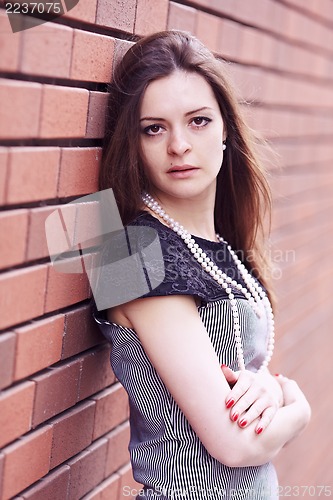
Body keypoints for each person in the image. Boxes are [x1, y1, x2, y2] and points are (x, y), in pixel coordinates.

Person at [93, 30, 311, 500]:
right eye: (153, 128)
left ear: (226, 128)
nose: (179, 146)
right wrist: (297, 406)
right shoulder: (131, 253)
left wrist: (267, 390)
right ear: (132, 143)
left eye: (197, 121)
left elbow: (236, 382)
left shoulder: (221, 245)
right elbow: (232, 444)